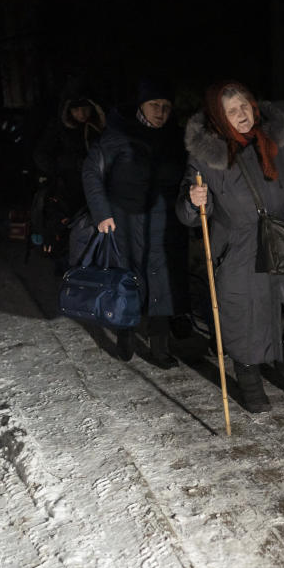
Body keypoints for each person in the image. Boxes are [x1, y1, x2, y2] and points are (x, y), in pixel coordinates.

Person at [176, 81, 284, 413]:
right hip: (238, 244)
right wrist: (193, 202)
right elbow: (187, 214)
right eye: (231, 111)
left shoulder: (277, 138)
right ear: (218, 118)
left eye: (245, 106)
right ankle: (249, 378)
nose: (242, 115)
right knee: (243, 315)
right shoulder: (206, 156)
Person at [82, 77, 190, 368]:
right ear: (141, 105)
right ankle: (125, 334)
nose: (161, 111)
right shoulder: (117, 136)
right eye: (155, 104)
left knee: (162, 283)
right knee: (128, 280)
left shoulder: (176, 139)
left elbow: (190, 174)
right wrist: (102, 212)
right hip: (125, 222)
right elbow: (92, 172)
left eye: (166, 106)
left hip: (165, 222)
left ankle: (159, 347)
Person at [33, 80, 106, 260]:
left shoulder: (100, 128)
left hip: (97, 189)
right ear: (68, 110)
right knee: (69, 237)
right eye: (76, 109)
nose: (81, 114)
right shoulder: (59, 128)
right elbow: (41, 154)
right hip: (68, 191)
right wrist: (68, 165)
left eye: (85, 108)